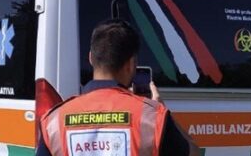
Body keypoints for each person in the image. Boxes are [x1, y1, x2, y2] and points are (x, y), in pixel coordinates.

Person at [36, 19, 199, 156]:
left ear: (91, 58)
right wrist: (163, 111)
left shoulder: (53, 121)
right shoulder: (152, 117)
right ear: (131, 64)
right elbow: (193, 153)